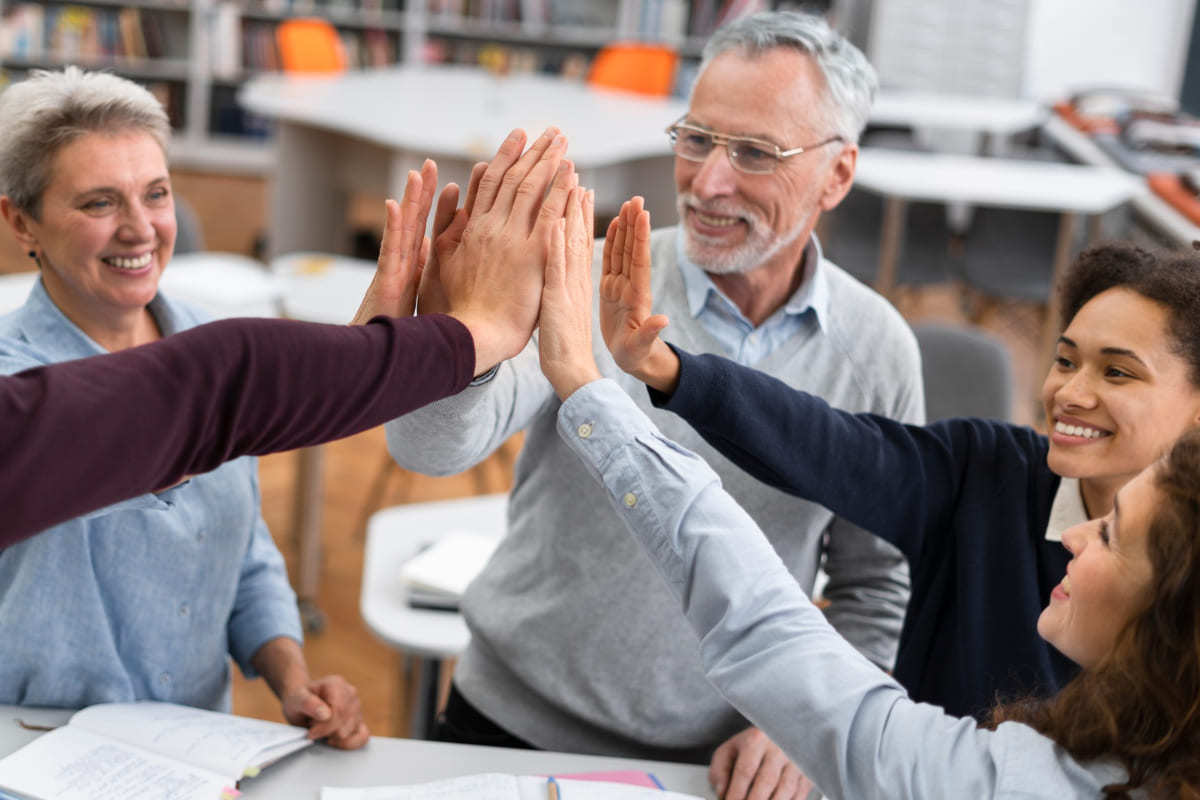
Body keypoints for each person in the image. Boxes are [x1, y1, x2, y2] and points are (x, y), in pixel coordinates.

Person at [385, 11, 921, 796]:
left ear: (837, 175)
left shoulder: (878, 350)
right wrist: (457, 342)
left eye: (754, 153)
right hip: (506, 724)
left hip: (717, 769)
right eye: (697, 138)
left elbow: (876, 589)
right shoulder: (586, 275)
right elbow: (427, 451)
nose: (707, 182)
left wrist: (806, 721)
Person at [534, 202, 1200, 795]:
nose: (1071, 393)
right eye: (1063, 360)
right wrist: (669, 372)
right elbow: (832, 445)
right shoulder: (986, 471)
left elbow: (774, 635)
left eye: (1116, 372)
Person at [0, 67, 568, 743]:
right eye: (98, 203)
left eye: (156, 194)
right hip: (37, 758)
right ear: (20, 221)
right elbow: (211, 391)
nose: (140, 229)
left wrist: (292, 679)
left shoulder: (199, 332)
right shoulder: (17, 391)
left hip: (192, 758)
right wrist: (433, 345)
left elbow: (243, 551)